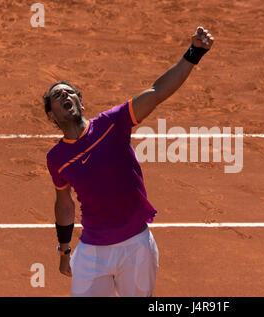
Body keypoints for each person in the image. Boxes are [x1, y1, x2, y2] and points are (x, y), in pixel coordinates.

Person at [44, 26, 214, 297]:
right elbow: (64, 204)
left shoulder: (113, 123)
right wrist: (65, 251)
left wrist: (194, 54)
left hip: (136, 245)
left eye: (69, 92)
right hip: (92, 252)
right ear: (52, 116)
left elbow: (157, 92)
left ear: (80, 102)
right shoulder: (57, 158)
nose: (65, 95)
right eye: (57, 95)